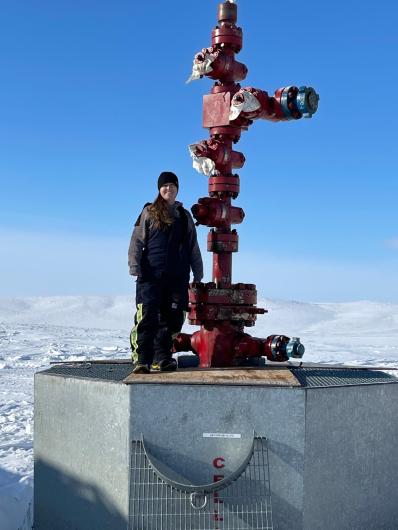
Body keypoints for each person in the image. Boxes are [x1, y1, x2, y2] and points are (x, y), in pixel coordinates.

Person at [128, 171, 203, 374]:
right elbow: (137, 240)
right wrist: (134, 265)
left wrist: (198, 271)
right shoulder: (149, 212)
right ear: (159, 189)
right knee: (147, 316)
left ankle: (162, 358)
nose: (168, 189)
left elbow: (192, 246)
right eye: (164, 186)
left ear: (177, 189)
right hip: (151, 276)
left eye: (172, 186)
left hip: (177, 277)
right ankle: (142, 359)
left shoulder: (184, 216)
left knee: (172, 318)